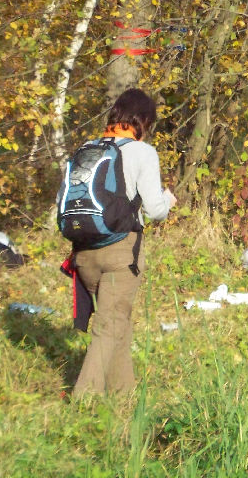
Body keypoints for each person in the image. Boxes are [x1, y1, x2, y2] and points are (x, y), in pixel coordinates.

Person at [66, 88, 176, 396]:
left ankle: (123, 396)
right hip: (120, 253)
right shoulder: (142, 152)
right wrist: (168, 200)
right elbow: (154, 211)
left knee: (119, 323)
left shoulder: (88, 147)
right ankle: (84, 404)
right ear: (143, 120)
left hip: (84, 253)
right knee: (109, 326)